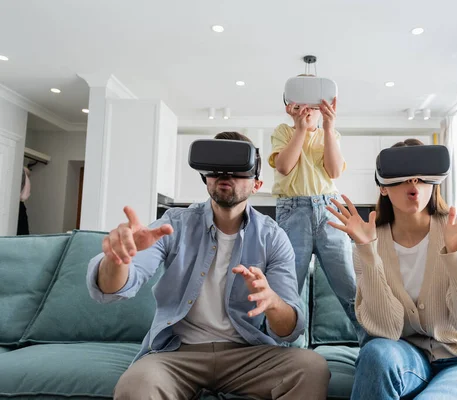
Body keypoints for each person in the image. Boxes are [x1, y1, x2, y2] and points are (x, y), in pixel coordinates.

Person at [86, 132, 330, 400]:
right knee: (136, 384)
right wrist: (117, 259)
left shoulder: (272, 237)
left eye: (238, 169)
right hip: (177, 354)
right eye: (216, 167)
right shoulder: (174, 224)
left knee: (311, 367)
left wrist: (272, 302)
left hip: (246, 354)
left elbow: (288, 330)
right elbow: (113, 288)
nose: (226, 173)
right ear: (205, 177)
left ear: (257, 184)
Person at [327, 139, 457, 399]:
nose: (413, 183)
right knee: (376, 353)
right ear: (384, 187)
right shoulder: (368, 241)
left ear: (435, 182)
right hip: (409, 358)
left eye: (422, 177)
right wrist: (367, 252)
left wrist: (455, 254)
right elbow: (386, 330)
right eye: (402, 177)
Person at [269, 95, 363, 340]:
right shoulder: (283, 131)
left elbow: (333, 171)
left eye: (313, 106)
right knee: (286, 291)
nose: (307, 111)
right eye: (301, 105)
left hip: (329, 210)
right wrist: (299, 129)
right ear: (290, 107)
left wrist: (329, 128)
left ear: (323, 110)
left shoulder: (331, 135)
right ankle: (281, 354)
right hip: (293, 212)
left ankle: (372, 344)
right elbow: (284, 166)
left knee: (349, 288)